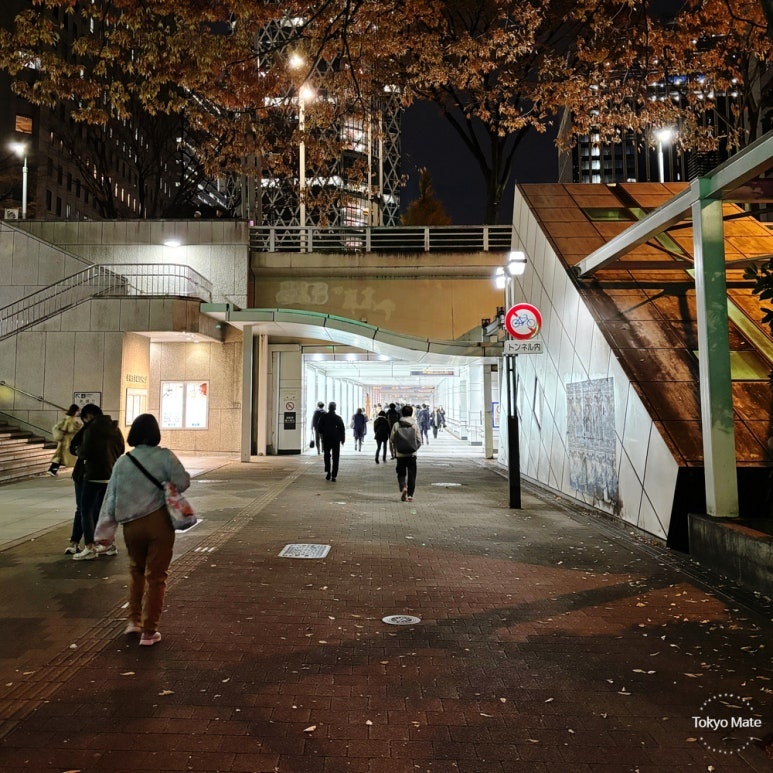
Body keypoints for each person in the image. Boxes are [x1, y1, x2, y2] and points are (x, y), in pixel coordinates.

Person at [95, 413, 190, 647]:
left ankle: (133, 622)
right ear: (155, 433)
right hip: (159, 522)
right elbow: (184, 482)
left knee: (136, 570)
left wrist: (104, 533)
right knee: (157, 577)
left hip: (131, 526)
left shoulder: (123, 462)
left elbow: (111, 498)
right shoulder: (165, 457)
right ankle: (150, 632)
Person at [71, 404, 125, 561]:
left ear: (88, 416)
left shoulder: (91, 429)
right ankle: (108, 544)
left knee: (86, 510)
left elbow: (84, 451)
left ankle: (89, 547)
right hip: (110, 475)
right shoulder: (115, 428)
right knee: (104, 511)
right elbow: (121, 449)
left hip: (93, 475)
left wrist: (79, 450)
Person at [390, 405, 422, 502]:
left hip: (400, 454)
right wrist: (414, 448)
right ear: (411, 413)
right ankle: (410, 495)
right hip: (412, 454)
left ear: (402, 413)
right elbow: (419, 440)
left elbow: (392, 440)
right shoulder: (415, 425)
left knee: (401, 473)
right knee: (412, 475)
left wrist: (394, 451)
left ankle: (403, 486)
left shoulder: (396, 425)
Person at [48, 404, 81, 476]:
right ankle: (52, 470)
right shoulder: (70, 420)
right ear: (75, 411)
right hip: (67, 441)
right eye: (78, 411)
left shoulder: (68, 418)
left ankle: (52, 470)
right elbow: (71, 429)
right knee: (63, 457)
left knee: (60, 458)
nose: (78, 413)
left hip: (65, 441)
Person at [317, 401, 345, 481]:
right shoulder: (338, 418)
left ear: (328, 408)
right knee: (335, 457)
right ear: (335, 408)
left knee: (327, 456)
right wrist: (342, 439)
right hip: (336, 440)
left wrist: (324, 433)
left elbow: (319, 427)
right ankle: (334, 475)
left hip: (326, 439)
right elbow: (342, 429)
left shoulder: (324, 416)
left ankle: (328, 472)